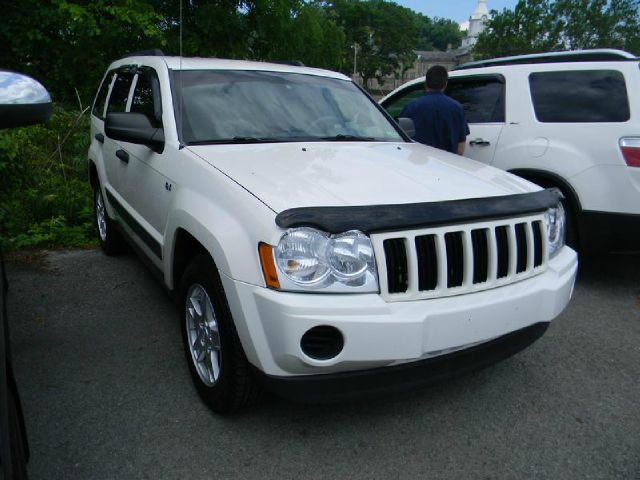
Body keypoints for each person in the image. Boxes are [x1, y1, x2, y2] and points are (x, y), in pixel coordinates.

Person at [400, 65, 470, 155]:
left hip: (418, 162)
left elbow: (400, 137)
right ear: (445, 84)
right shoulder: (457, 108)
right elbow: (460, 147)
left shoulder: (412, 107)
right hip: (445, 163)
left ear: (425, 83)